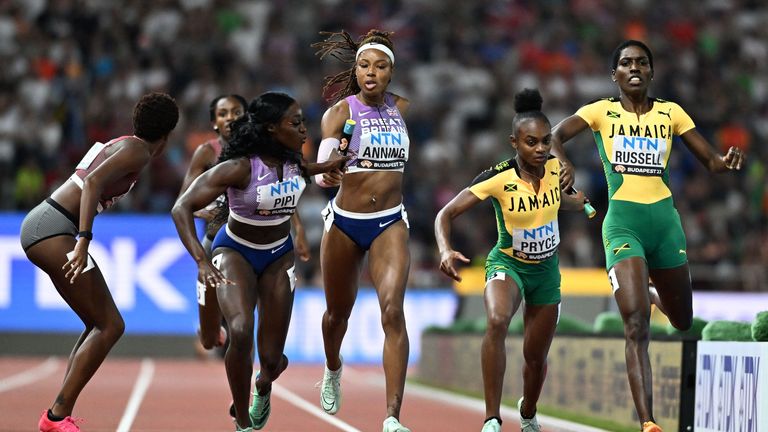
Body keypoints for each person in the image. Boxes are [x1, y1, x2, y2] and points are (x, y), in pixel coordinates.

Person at [551, 40, 745, 432]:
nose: (634, 67)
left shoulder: (671, 113)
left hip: (665, 225)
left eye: (642, 62)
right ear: (615, 75)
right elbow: (553, 136)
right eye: (626, 63)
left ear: (652, 72)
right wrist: (565, 162)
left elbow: (710, 161)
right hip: (622, 224)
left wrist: (725, 163)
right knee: (635, 324)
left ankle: (656, 294)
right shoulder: (598, 112)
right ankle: (648, 422)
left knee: (683, 318)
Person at [171, 91, 347, 432]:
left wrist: (328, 166)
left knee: (272, 360)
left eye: (303, 122)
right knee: (238, 329)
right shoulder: (237, 168)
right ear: (270, 129)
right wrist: (201, 261)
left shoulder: (294, 162)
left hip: (279, 257)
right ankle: (242, 419)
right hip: (234, 250)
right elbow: (181, 208)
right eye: (294, 123)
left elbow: (303, 172)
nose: (303, 130)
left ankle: (262, 386)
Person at [20, 92, 179, 432]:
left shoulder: (127, 145)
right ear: (167, 136)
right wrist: (82, 239)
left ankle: (59, 412)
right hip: (53, 228)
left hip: (48, 224)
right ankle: (56, 417)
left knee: (98, 323)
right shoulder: (138, 150)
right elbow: (91, 182)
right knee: (111, 325)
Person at [435, 89, 588, 432]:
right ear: (514, 143)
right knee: (498, 319)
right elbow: (445, 214)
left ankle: (529, 411)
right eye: (531, 142)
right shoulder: (496, 178)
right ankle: (492, 417)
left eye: (546, 141)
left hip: (547, 272)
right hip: (508, 264)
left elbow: (556, 202)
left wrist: (576, 202)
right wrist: (445, 249)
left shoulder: (556, 169)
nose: (540, 149)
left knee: (535, 359)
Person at [312, 29, 412, 432]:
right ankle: (333, 366)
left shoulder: (404, 108)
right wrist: (330, 170)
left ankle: (392, 417)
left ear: (391, 72)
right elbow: (322, 173)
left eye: (381, 66)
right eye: (365, 66)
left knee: (392, 312)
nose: (372, 73)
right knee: (338, 314)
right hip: (345, 223)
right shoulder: (340, 113)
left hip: (389, 222)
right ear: (356, 70)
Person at [178, 95, 313, 359]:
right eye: (223, 113)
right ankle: (210, 329)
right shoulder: (208, 152)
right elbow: (185, 200)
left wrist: (298, 229)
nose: (230, 117)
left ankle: (252, 367)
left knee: (247, 323)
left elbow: (282, 192)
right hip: (217, 237)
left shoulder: (263, 152)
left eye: (236, 111)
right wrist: (212, 210)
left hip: (266, 241)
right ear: (215, 122)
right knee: (209, 339)